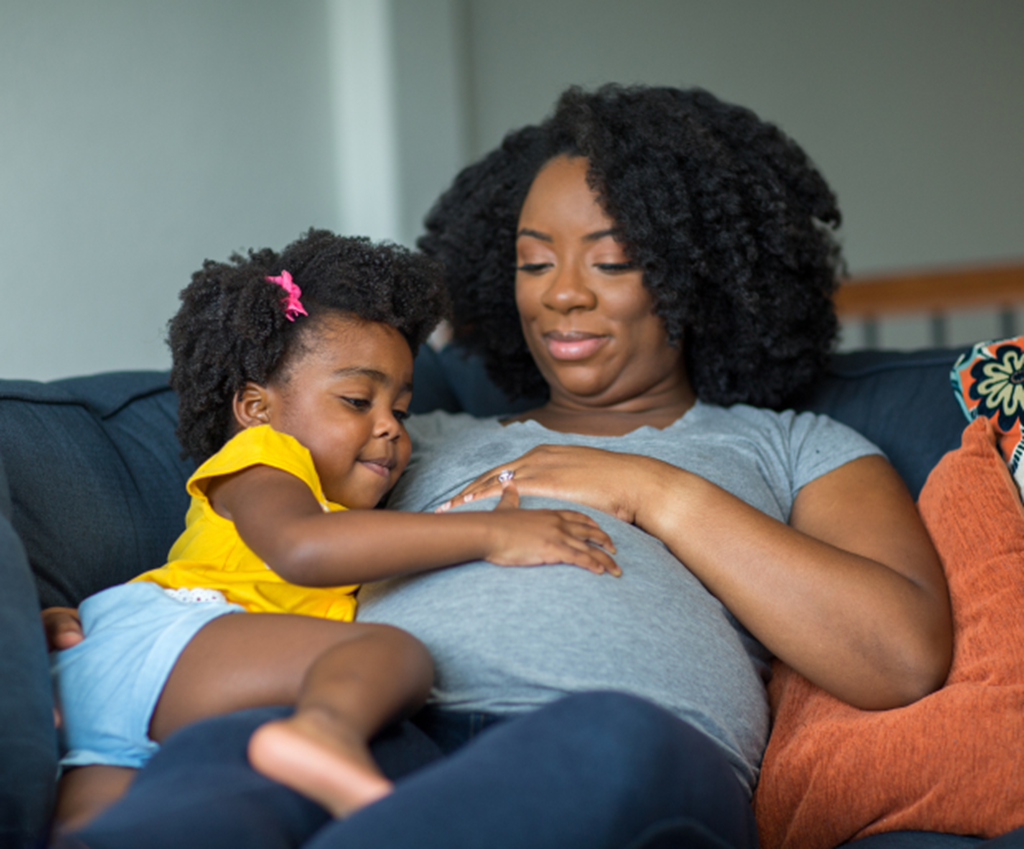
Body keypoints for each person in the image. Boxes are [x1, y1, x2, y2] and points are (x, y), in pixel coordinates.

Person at [51, 85, 953, 849]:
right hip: (370, 720)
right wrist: (108, 625)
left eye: (613, 260)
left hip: (624, 741)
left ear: (701, 273)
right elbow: (259, 548)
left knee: (610, 737)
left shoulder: (793, 446)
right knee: (227, 757)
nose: (561, 291)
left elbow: (899, 657)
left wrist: (650, 489)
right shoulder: (398, 433)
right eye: (532, 261)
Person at [48, 229, 619, 833]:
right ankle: (324, 731)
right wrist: (489, 535)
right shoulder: (263, 461)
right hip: (173, 636)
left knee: (96, 833)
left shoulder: (346, 508)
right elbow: (303, 550)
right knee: (385, 652)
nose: (391, 429)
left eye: (399, 410)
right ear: (256, 408)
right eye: (355, 400)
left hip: (130, 704)